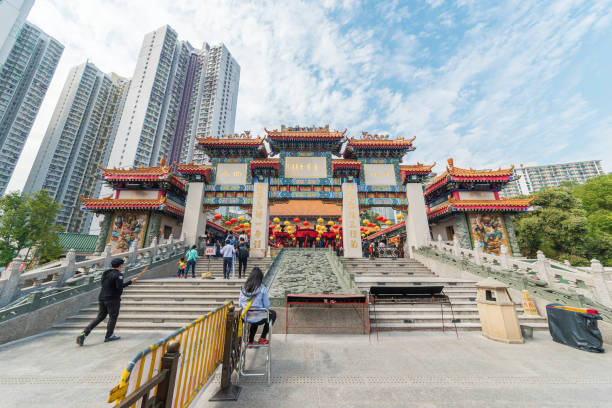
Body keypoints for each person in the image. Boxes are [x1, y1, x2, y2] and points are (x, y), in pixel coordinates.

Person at [76, 258, 138, 345]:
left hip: (102, 297)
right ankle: (109, 335)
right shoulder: (118, 274)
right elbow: (119, 287)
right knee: (113, 317)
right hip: (112, 299)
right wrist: (131, 281)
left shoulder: (105, 273)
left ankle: (85, 332)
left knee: (100, 316)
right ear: (120, 265)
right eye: (122, 264)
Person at [239, 267, 276, 346]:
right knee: (273, 314)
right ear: (260, 277)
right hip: (258, 317)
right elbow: (267, 305)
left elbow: (240, 304)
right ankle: (262, 337)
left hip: (245, 317)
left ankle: (250, 341)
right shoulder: (262, 288)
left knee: (254, 317)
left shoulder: (243, 288)